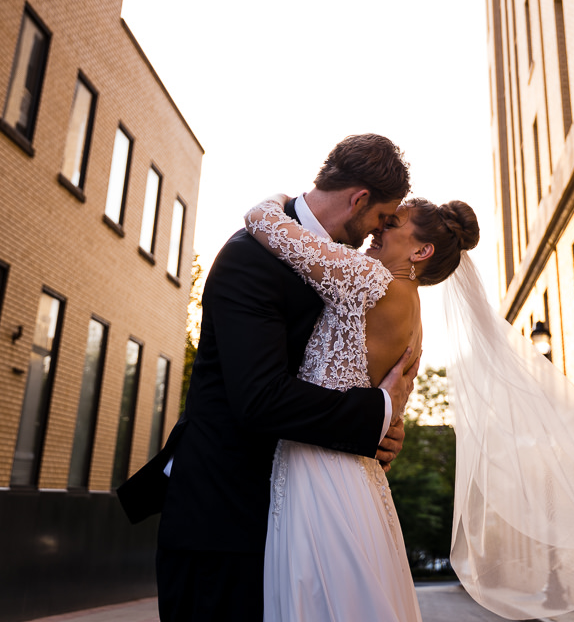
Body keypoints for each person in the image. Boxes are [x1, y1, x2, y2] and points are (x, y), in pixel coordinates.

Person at [119, 134, 418, 622]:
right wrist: (374, 415)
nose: (377, 234)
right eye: (382, 218)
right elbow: (259, 398)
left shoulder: (338, 268)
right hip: (223, 521)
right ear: (359, 199)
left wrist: (385, 427)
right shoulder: (250, 258)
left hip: (291, 523)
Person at [242, 190, 480, 622]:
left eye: (393, 223)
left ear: (421, 249)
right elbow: (392, 403)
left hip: (319, 470)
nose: (379, 227)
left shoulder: (369, 280)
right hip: (358, 474)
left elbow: (259, 220)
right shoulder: (415, 316)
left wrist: (283, 198)